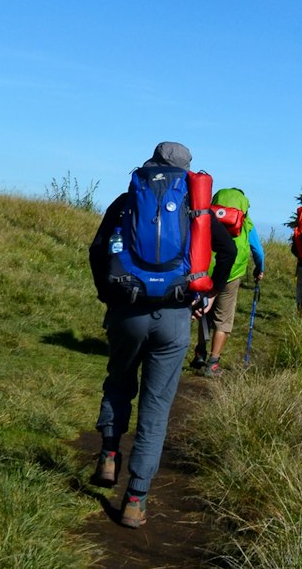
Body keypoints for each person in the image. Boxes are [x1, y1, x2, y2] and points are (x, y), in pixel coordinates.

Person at [89, 141, 236, 529]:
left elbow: (97, 250)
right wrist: (206, 294)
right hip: (173, 316)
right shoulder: (196, 208)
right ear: (187, 172)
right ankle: (135, 499)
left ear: (151, 165)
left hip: (127, 311)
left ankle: (107, 454)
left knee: (119, 382)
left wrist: (110, 299)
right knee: (156, 407)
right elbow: (228, 252)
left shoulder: (127, 200)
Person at [193, 186, 264, 377]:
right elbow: (258, 251)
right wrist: (260, 269)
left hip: (206, 268)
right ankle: (213, 363)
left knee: (204, 310)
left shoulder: (208, 216)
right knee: (223, 319)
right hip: (232, 273)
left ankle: (200, 352)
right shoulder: (246, 223)